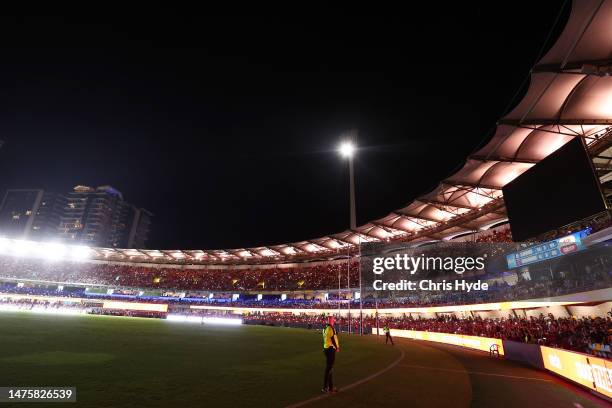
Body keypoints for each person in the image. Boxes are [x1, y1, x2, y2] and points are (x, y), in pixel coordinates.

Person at [322, 315, 340, 393]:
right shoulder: (330, 328)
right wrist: (337, 347)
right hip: (330, 349)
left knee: (329, 369)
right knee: (329, 369)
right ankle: (326, 387)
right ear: (331, 321)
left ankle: (330, 387)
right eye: (333, 320)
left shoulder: (325, 328)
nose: (333, 321)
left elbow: (328, 338)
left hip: (326, 348)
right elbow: (332, 339)